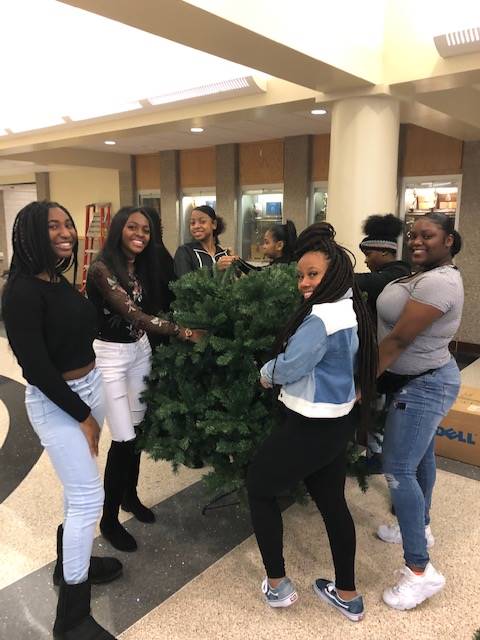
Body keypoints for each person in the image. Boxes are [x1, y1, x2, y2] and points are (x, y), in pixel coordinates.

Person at [247, 222, 377, 622]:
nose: (304, 282)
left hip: (308, 425)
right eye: (301, 275)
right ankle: (347, 594)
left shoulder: (321, 318)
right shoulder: (349, 308)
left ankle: (278, 586)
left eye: (312, 274)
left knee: (259, 488)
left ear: (333, 273)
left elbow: (290, 367)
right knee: (333, 504)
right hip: (336, 424)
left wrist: (265, 371)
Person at [2, 201, 119, 639]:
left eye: (67, 223)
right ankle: (71, 615)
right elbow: (36, 369)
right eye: (52, 226)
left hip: (91, 390)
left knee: (80, 489)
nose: (65, 230)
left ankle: (75, 563)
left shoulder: (57, 279)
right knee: (89, 498)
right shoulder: (20, 293)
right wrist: (84, 416)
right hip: (58, 403)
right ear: (31, 233)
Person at [86, 206, 202, 553]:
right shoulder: (101, 268)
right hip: (110, 358)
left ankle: (129, 496)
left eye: (147, 230)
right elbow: (132, 313)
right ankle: (108, 520)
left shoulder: (142, 265)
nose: (140, 234)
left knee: (135, 436)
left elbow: (159, 302)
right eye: (133, 227)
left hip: (139, 352)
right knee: (122, 439)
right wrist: (183, 332)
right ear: (119, 228)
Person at [375, 212, 463, 610]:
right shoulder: (419, 274)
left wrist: (360, 386)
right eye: (412, 235)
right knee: (420, 456)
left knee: (398, 469)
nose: (416, 241)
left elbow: (399, 339)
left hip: (424, 384)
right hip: (415, 381)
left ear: (449, 240)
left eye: (428, 235)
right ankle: (421, 528)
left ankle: (419, 572)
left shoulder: (441, 282)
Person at [355, 214, 411, 473]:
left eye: (369, 253)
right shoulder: (392, 273)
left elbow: (361, 283)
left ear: (382, 251)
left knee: (382, 410)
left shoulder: (395, 275)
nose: (366, 260)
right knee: (378, 408)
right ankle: (374, 454)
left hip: (391, 358)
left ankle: (377, 458)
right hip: (385, 355)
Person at [173, 205, 237, 277]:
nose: (196, 226)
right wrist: (215, 269)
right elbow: (184, 282)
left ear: (214, 224)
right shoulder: (185, 252)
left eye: (202, 222)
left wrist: (237, 264)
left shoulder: (223, 253)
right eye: (192, 223)